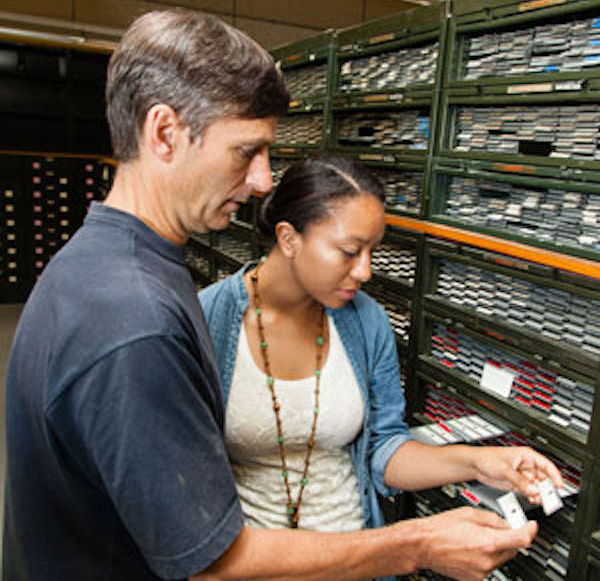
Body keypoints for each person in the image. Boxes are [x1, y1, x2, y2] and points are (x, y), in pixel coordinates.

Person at [2, 6, 542, 581]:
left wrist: (476, 462)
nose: (263, 181)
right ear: (164, 133)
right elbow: (211, 561)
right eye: (246, 151)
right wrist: (416, 543)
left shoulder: (109, 266)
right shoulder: (134, 315)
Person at [199, 154, 564, 579]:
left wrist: (479, 463)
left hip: (360, 561)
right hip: (254, 567)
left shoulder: (366, 321)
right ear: (288, 237)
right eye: (349, 251)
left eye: (373, 250)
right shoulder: (207, 321)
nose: (366, 271)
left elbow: (383, 448)